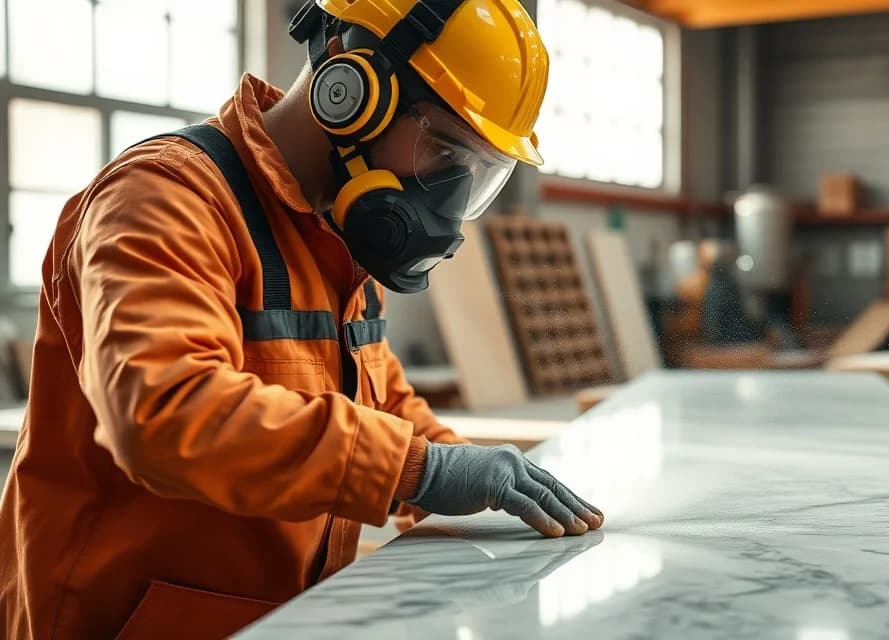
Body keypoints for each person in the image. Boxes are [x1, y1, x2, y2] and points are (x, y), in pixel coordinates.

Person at [0, 1, 602, 638]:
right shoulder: (164, 199)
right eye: (445, 151)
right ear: (350, 85)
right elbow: (164, 410)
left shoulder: (337, 240)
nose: (450, 197)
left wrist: (472, 472)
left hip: (278, 620)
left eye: (478, 176)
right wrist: (421, 471)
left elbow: (382, 402)